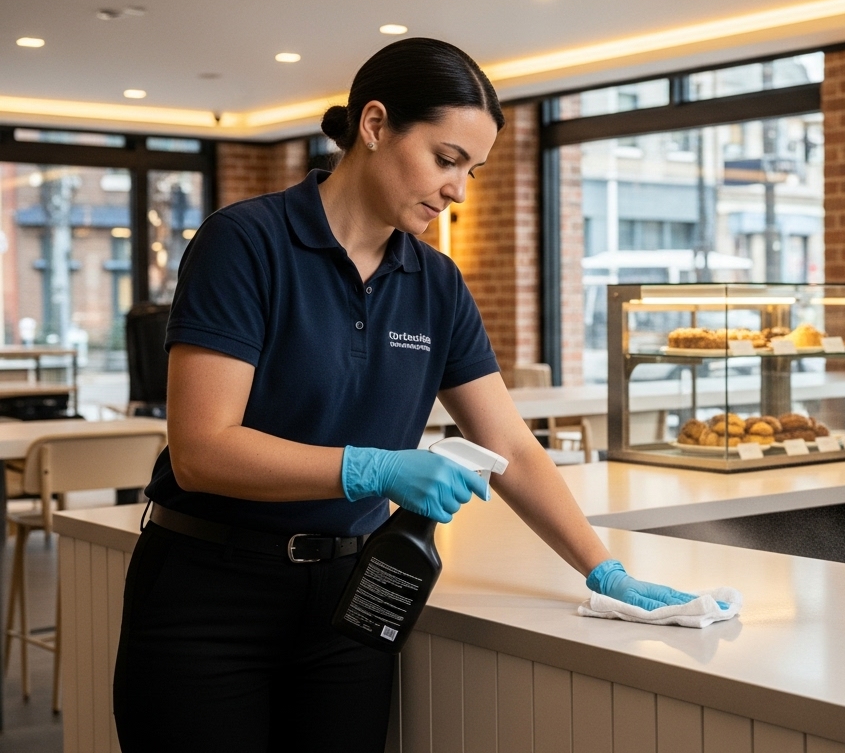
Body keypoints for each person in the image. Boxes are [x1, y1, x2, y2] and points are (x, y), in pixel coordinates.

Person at [112, 38, 701, 752]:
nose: (458, 189)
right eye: (447, 159)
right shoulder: (246, 243)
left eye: (472, 170)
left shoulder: (436, 283)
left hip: (353, 595)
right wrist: (374, 468)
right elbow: (203, 450)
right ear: (375, 124)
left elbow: (509, 444)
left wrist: (603, 569)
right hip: (210, 597)